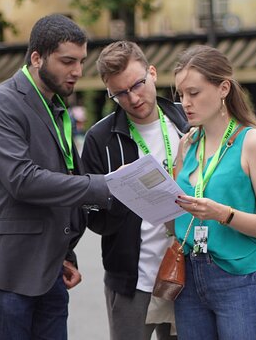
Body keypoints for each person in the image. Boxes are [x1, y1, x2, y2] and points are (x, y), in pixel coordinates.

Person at [0, 14, 113, 340]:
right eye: (67, 61)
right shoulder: (0, 103)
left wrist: (65, 250)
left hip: (49, 268)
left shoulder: (55, 106)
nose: (77, 71)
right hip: (7, 271)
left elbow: (62, 176)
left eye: (81, 61)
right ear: (37, 57)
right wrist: (103, 186)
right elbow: (23, 180)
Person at [171, 45, 256, 340]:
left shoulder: (253, 142)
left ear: (223, 88)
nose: (185, 103)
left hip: (241, 279)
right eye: (180, 94)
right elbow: (175, 210)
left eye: (194, 93)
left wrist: (223, 214)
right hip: (189, 275)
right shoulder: (187, 143)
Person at [81, 41, 188, 340]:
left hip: (188, 271)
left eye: (138, 85)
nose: (133, 98)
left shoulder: (188, 122)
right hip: (132, 279)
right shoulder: (99, 139)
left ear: (152, 73)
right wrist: (119, 194)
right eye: (120, 93)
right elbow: (91, 216)